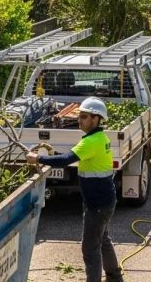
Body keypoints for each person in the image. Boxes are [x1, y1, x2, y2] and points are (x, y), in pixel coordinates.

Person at [27, 97, 123, 282]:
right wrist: (55, 155)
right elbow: (73, 157)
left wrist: (38, 158)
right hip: (105, 201)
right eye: (80, 116)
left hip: (97, 205)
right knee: (102, 239)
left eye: (84, 117)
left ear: (96, 119)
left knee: (90, 248)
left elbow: (66, 160)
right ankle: (115, 277)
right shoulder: (99, 138)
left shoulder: (91, 142)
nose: (80, 120)